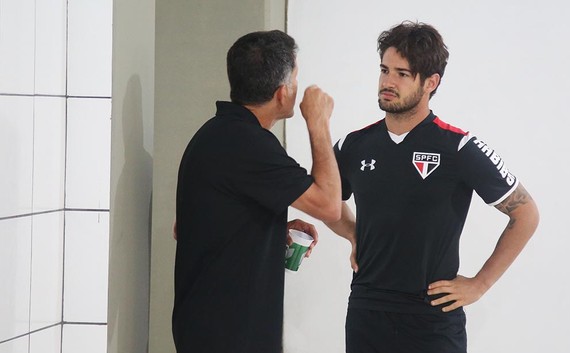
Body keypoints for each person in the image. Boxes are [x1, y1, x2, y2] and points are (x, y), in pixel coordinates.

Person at [325, 21, 540, 353]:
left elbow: (526, 214)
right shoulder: (353, 145)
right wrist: (354, 232)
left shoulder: (458, 146)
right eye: (384, 70)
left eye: (402, 74)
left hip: (432, 317)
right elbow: (325, 200)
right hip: (368, 311)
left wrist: (480, 284)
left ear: (430, 82)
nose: (387, 82)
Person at [172, 30, 341, 353]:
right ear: (282, 92)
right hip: (229, 335)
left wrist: (271, 228)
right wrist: (318, 122)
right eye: (294, 78)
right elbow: (329, 204)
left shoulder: (217, 133)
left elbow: (199, 225)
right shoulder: (249, 145)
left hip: (210, 327)